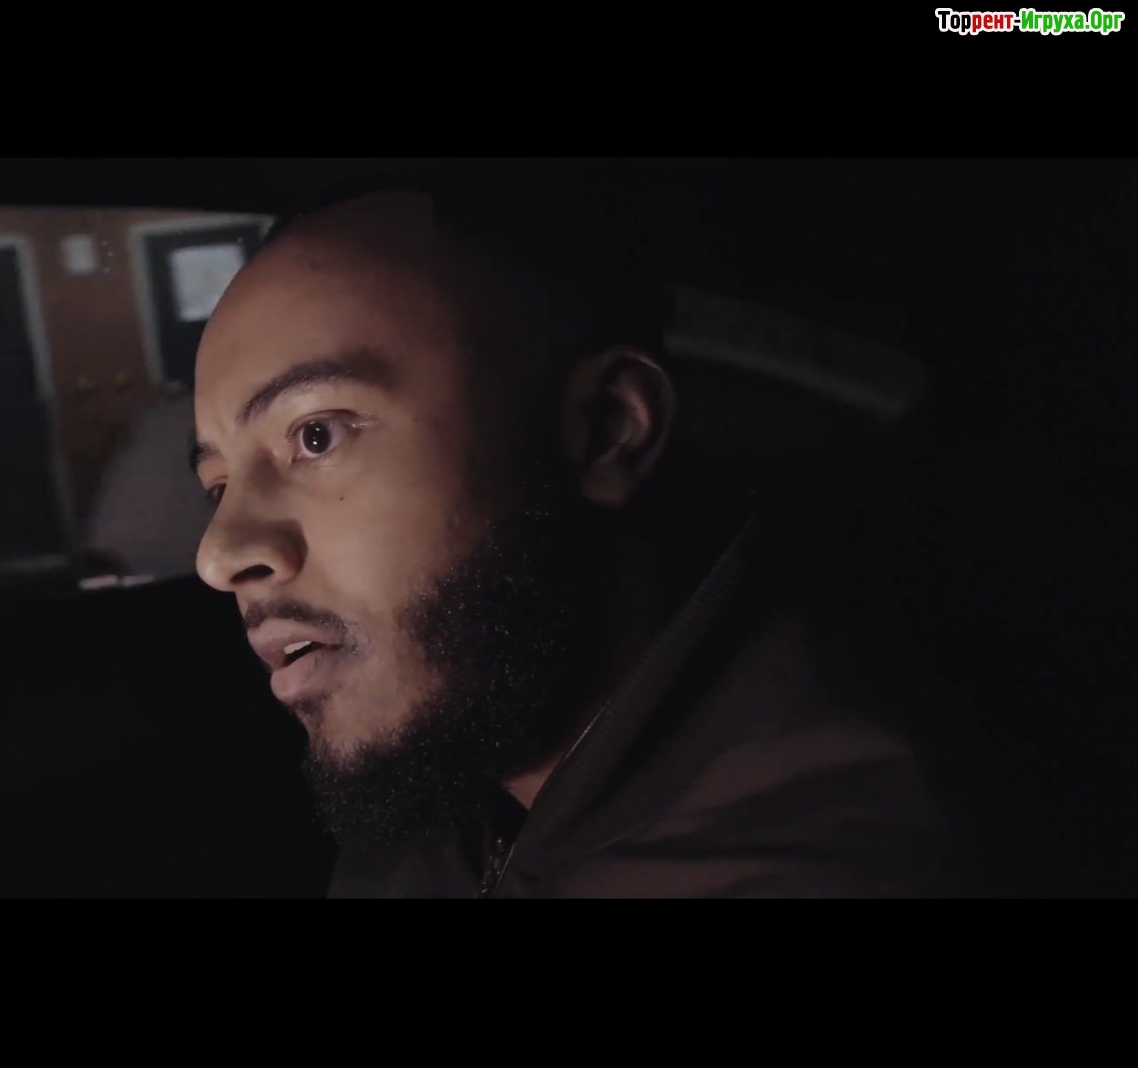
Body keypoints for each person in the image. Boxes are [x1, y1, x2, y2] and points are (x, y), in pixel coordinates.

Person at [188, 168, 961, 897]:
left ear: (605, 430)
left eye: (316, 435)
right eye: (219, 485)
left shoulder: (838, 856)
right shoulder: (449, 772)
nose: (219, 556)